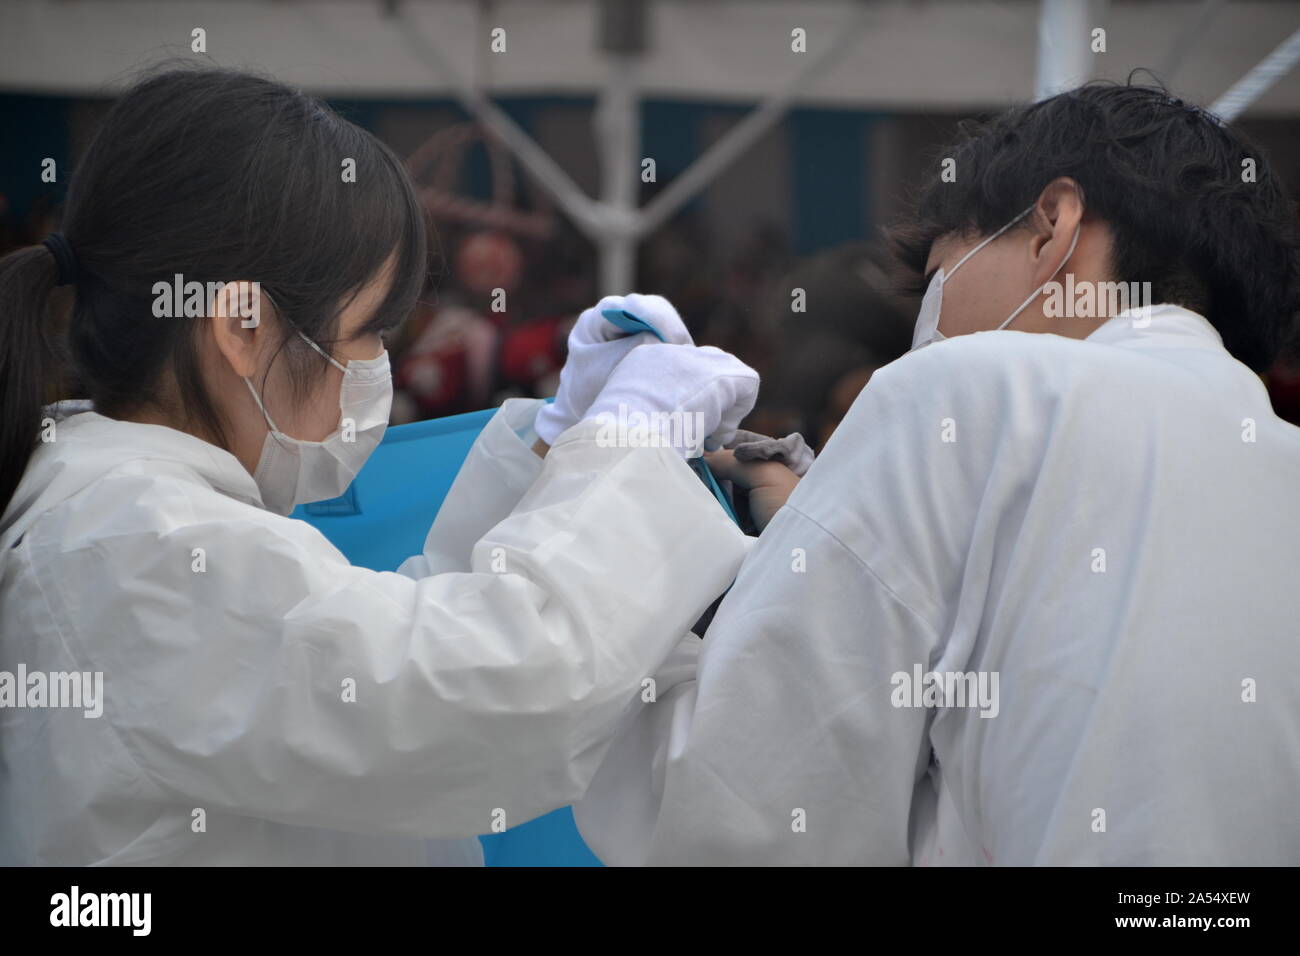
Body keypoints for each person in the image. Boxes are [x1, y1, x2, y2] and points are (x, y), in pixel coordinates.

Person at [0, 68, 758, 865]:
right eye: (366, 332)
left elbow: (392, 651)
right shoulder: (135, 547)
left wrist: (550, 457)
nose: (376, 367)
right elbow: (483, 696)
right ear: (244, 328)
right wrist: (622, 452)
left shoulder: (129, 520)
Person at [571, 82, 1300, 865]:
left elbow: (746, 809)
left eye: (938, 271)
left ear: (1053, 227)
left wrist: (637, 547)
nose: (923, 319)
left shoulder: (969, 388)